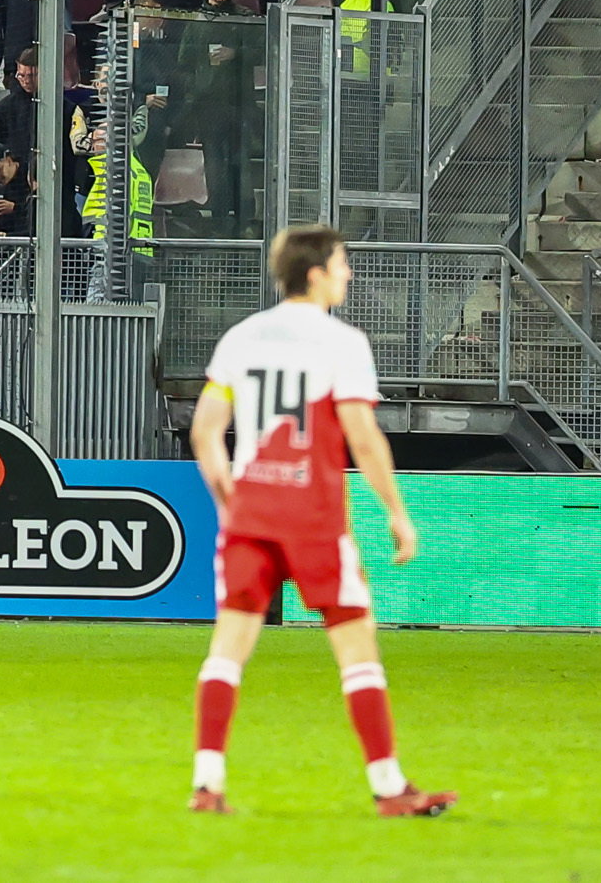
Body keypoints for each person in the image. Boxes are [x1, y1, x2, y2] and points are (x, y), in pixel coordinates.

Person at [185, 226, 453, 817]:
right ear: (316, 274)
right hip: (314, 518)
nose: (348, 274)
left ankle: (207, 784)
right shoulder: (342, 343)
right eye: (342, 264)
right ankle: (389, 789)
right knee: (357, 650)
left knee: (228, 648)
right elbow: (361, 434)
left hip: (252, 514)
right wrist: (397, 512)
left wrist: (232, 499)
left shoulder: (242, 336)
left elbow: (205, 431)